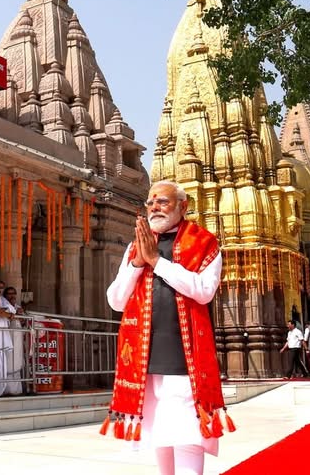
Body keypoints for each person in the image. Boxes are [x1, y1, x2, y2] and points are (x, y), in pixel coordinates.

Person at [104, 180, 230, 475]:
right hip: (143, 358)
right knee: (159, 430)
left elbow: (203, 291)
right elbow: (116, 301)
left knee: (187, 433)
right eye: (150, 203)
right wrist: (137, 265)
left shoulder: (204, 243)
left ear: (183, 206)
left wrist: (157, 262)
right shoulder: (136, 246)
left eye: (162, 202)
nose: (154, 208)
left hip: (186, 357)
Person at [4, 286, 26, 395]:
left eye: (13, 293)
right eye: (9, 293)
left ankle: (17, 390)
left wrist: (21, 316)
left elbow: (23, 322)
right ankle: (7, 389)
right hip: (8, 337)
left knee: (17, 361)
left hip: (18, 338)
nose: (12, 295)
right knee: (9, 363)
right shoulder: (4, 306)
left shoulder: (18, 307)